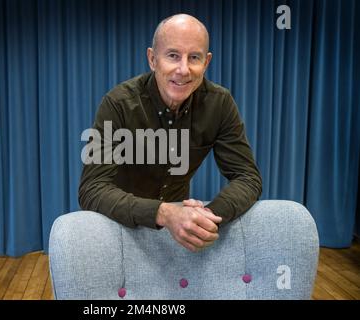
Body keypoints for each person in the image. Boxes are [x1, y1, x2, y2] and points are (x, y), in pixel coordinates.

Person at [79, 14, 262, 252]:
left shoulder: (221, 103)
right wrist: (164, 213)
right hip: (119, 229)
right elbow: (92, 188)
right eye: (173, 55)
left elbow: (248, 177)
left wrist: (205, 217)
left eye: (194, 57)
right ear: (152, 59)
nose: (183, 69)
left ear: (206, 63)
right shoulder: (118, 103)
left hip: (176, 238)